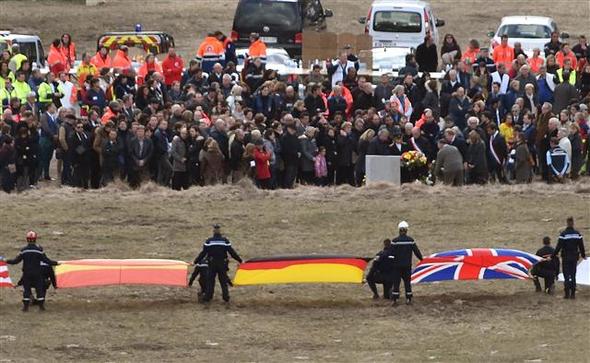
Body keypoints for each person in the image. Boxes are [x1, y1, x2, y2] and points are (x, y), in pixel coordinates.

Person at [4, 231, 59, 311]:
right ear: (35, 239)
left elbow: (15, 261)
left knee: (27, 290)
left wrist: (6, 260)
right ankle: (41, 307)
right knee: (39, 290)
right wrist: (57, 263)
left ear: (27, 239)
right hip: (37, 274)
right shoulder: (39, 250)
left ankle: (25, 308)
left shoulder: (23, 250)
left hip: (26, 274)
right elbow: (47, 261)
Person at [193, 224, 243, 303]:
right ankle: (226, 297)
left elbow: (203, 253)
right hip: (222, 263)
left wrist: (195, 262)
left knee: (210, 281)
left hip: (212, 263)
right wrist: (240, 261)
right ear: (220, 232)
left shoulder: (209, 241)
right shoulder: (225, 241)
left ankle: (208, 297)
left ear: (213, 231)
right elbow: (232, 252)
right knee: (223, 281)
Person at [388, 221, 423, 306]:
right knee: (407, 282)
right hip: (407, 266)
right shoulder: (410, 240)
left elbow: (390, 254)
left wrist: (391, 264)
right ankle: (408, 299)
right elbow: (416, 252)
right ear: (407, 230)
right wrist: (422, 259)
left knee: (396, 283)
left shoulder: (394, 241)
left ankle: (395, 300)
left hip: (397, 266)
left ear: (399, 230)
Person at [552, 217, 586, 299]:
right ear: (573, 223)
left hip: (566, 257)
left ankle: (567, 293)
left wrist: (553, 255)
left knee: (566, 275)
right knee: (573, 275)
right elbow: (581, 245)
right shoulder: (577, 234)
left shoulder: (563, 234)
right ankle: (573, 294)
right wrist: (583, 255)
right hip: (574, 257)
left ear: (567, 223)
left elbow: (558, 246)